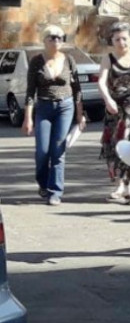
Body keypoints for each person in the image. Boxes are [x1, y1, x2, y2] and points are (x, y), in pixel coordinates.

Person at [22, 25, 86, 206]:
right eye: (52, 37)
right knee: (42, 151)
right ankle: (43, 183)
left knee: (58, 151)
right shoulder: (36, 61)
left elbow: (77, 89)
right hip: (43, 107)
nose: (56, 40)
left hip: (65, 107)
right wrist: (28, 118)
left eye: (59, 37)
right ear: (44, 40)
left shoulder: (69, 60)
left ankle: (55, 192)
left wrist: (80, 114)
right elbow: (30, 91)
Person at [97, 22, 130, 204]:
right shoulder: (108, 58)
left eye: (124, 38)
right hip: (115, 109)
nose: (121, 42)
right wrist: (108, 100)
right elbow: (101, 82)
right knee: (116, 147)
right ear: (112, 41)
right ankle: (120, 185)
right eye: (117, 39)